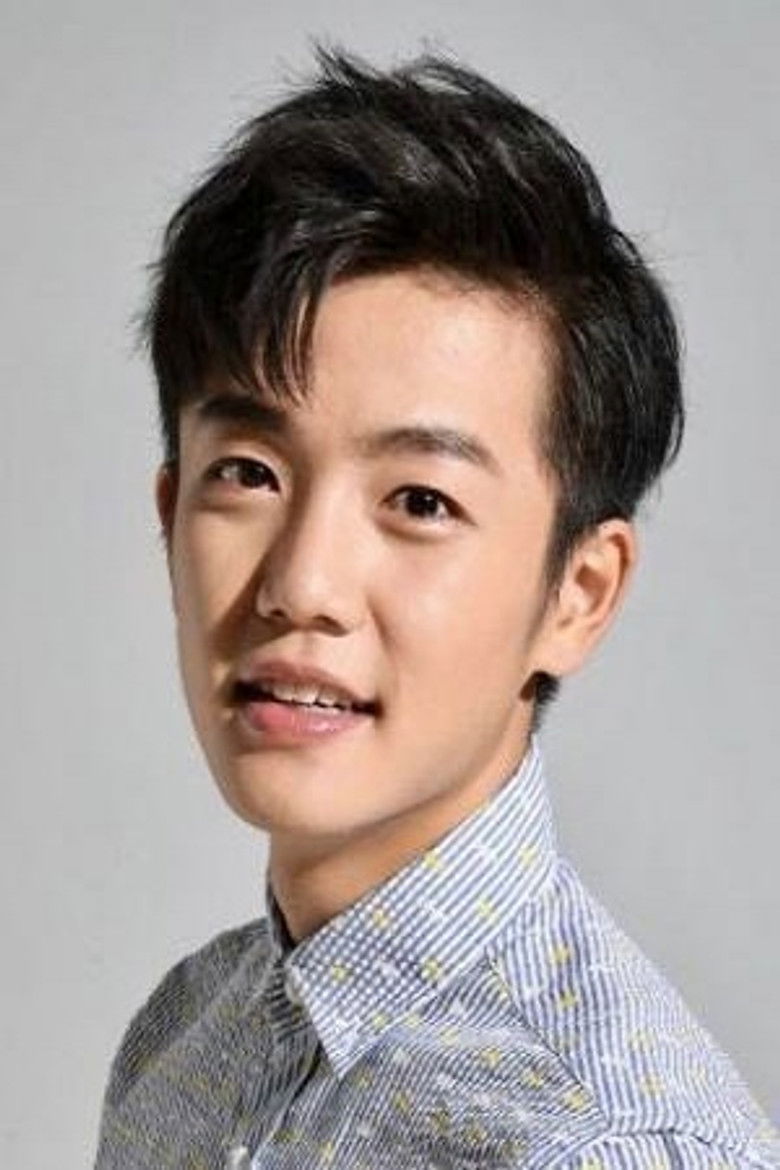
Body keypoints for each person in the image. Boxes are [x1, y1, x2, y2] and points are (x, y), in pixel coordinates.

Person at [93, 45, 780, 1170]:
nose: (303, 585)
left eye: (420, 500)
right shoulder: (183, 1037)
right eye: (250, 474)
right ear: (170, 519)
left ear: (578, 594)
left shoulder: (598, 1144)